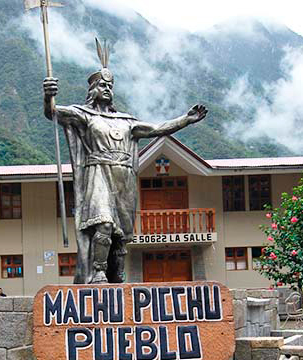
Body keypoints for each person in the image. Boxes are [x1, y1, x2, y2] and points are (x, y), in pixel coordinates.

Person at [43, 39, 207, 284]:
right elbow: (54, 112)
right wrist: (48, 97)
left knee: (120, 234)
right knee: (104, 224)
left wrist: (186, 119)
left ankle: (116, 275)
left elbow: (157, 128)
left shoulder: (127, 121)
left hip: (124, 177)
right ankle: (98, 272)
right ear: (92, 90)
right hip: (97, 172)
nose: (107, 89)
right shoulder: (85, 116)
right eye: (102, 85)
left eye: (110, 85)